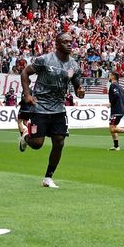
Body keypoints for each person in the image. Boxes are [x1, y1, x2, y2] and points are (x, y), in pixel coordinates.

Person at [19, 32, 85, 189]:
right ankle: (26, 138)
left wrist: (80, 91)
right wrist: (27, 94)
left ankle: (48, 178)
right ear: (57, 44)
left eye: (71, 42)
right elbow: (25, 73)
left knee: (59, 141)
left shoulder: (74, 65)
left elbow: (77, 86)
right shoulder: (45, 60)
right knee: (37, 144)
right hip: (39, 106)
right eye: (65, 42)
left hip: (58, 109)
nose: (70, 44)